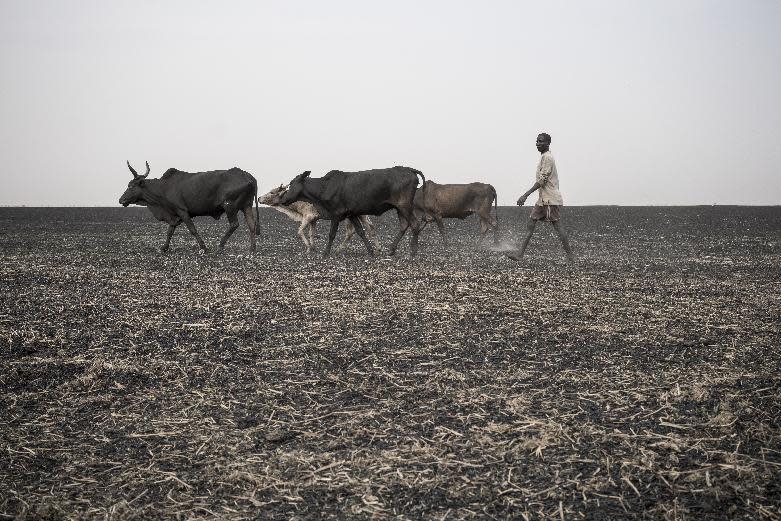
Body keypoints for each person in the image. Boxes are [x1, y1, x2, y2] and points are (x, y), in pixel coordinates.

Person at [507, 133, 574, 262]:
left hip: (550, 200)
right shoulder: (543, 157)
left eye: (541, 141)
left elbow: (542, 180)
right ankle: (520, 255)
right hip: (542, 200)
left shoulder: (548, 158)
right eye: (537, 141)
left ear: (548, 143)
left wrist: (525, 195)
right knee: (530, 224)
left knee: (558, 228)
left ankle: (570, 256)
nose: (538, 143)